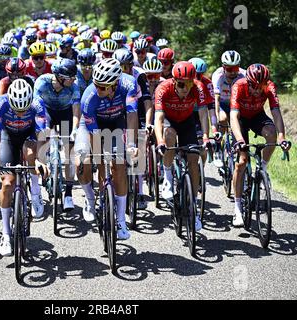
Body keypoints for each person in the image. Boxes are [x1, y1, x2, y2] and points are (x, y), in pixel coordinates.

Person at [76, 58, 139, 240]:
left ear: (115, 84)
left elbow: (133, 115)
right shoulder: (89, 96)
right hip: (93, 124)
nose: (98, 89)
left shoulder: (128, 84)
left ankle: (120, 219)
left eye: (103, 87)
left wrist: (132, 145)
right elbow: (93, 133)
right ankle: (90, 199)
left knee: (119, 166)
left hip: (117, 122)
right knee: (84, 160)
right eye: (96, 85)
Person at [0, 79, 49, 256]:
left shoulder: (37, 104)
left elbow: (41, 134)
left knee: (30, 155)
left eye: (24, 110)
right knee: (7, 184)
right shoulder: (1, 103)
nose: (21, 114)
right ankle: (6, 234)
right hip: (8, 137)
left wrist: (40, 160)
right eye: (17, 110)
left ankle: (35, 193)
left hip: (29, 136)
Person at [230, 64, 291, 227]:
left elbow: (276, 113)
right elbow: (234, 117)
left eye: (261, 87)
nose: (257, 91)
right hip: (240, 119)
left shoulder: (269, 87)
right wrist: (239, 140)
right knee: (242, 162)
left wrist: (281, 137)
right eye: (254, 87)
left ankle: (262, 167)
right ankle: (237, 208)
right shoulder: (239, 86)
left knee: (271, 133)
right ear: (248, 81)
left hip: (257, 116)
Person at [154, 61, 212, 231]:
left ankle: (193, 204)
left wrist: (206, 137)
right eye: (181, 84)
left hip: (187, 122)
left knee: (193, 158)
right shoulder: (163, 88)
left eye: (188, 83)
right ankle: (167, 178)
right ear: (173, 81)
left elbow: (202, 114)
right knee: (169, 136)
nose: (185, 88)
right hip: (169, 121)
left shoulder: (198, 87)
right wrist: (160, 142)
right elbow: (158, 118)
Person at [33, 58, 81, 211]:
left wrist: (75, 130)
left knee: (69, 152)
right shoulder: (42, 82)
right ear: (60, 77)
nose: (74, 79)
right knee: (42, 137)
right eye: (71, 77)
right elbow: (38, 110)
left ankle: (68, 194)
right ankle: (43, 167)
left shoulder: (74, 87)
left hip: (66, 113)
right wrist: (42, 129)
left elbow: (75, 111)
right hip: (47, 112)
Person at [113, 48, 153, 210]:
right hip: (119, 111)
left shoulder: (139, 75)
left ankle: (141, 191)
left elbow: (147, 102)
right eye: (121, 67)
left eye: (128, 66)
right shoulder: (112, 75)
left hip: (139, 111)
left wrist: (148, 123)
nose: (125, 70)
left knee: (141, 142)